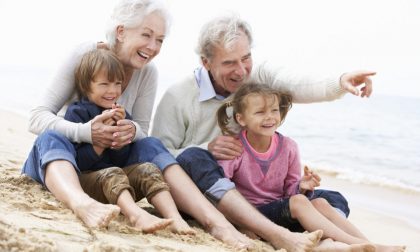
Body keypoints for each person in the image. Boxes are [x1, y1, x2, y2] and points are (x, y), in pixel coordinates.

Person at [21, 0, 258, 249]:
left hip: (111, 171)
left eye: (160, 40)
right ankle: (82, 203)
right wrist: (87, 132)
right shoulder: (85, 56)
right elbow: (37, 117)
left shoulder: (148, 72)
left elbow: (142, 130)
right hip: (64, 168)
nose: (153, 47)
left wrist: (132, 130)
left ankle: (215, 222)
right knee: (50, 137)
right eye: (147, 35)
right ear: (121, 31)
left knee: (151, 144)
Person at [151, 14, 376, 251]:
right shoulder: (178, 96)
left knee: (331, 199)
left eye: (246, 58)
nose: (241, 71)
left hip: (259, 200)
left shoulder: (257, 78)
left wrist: (340, 82)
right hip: (210, 194)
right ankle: (274, 231)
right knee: (194, 156)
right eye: (229, 63)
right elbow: (158, 157)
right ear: (206, 62)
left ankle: (328, 240)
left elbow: (296, 84)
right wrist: (207, 148)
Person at [216, 83, 405, 252]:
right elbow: (222, 192)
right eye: (260, 112)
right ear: (241, 119)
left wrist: (302, 187)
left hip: (281, 212)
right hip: (252, 214)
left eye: (274, 110)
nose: (270, 117)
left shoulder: (288, 146)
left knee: (320, 203)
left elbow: (290, 193)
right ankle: (353, 242)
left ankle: (366, 243)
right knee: (299, 201)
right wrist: (240, 224)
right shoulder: (234, 148)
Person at [59, 48, 197, 233]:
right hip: (88, 183)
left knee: (148, 169)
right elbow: (77, 163)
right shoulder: (77, 113)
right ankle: (135, 215)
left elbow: (122, 159)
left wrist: (122, 138)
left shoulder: (120, 114)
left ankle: (175, 218)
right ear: (86, 86)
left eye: (117, 83)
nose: (113, 90)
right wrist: (100, 143)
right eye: (104, 84)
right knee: (113, 172)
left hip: (119, 187)